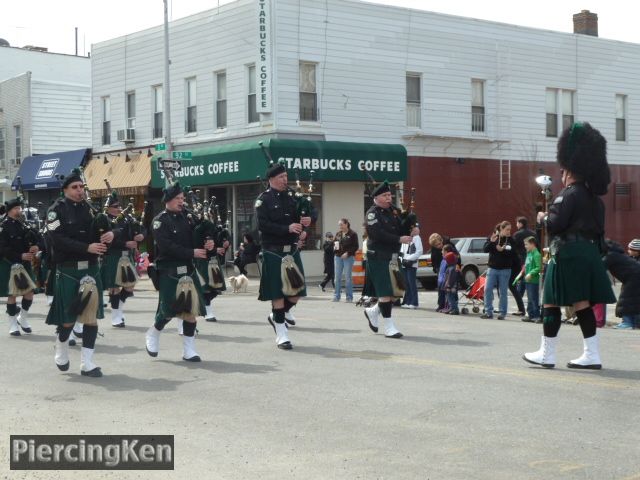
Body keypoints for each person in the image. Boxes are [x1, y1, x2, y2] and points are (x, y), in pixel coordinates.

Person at [523, 122, 616, 370]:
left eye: (562, 172)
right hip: (589, 253)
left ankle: (547, 353)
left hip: (567, 253)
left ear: (569, 171)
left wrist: (543, 217)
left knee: (550, 301)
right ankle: (591, 354)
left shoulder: (569, 194)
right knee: (582, 303)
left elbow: (556, 224)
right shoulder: (596, 201)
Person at [45, 169, 114, 377]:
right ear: (65, 190)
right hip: (68, 269)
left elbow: (103, 230)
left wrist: (111, 234)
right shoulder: (55, 211)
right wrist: (86, 248)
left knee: (91, 317)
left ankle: (87, 363)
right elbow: (58, 239)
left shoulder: (90, 209)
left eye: (81, 186)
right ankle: (61, 345)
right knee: (67, 319)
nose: (79, 190)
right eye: (74, 187)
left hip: (91, 268)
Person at [145, 182, 213, 362]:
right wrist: (191, 252)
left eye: (183, 198)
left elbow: (202, 232)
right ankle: (153, 332)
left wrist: (209, 242)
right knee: (168, 311)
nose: (182, 202)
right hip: (169, 269)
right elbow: (166, 247)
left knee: (191, 311)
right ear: (168, 200)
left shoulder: (189, 218)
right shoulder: (160, 221)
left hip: (188, 269)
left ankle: (188, 350)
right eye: (178, 199)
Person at [255, 161, 315, 350]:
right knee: (278, 294)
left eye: (286, 176)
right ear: (271, 179)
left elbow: (311, 210)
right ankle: (281, 334)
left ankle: (276, 316)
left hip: (292, 249)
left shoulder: (293, 196)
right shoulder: (263, 200)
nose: (285, 180)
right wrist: (286, 228)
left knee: (296, 292)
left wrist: (308, 222)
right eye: (281, 177)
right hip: (273, 250)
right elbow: (262, 226)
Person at [363, 181, 412, 339]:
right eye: (385, 195)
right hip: (378, 256)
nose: (389, 198)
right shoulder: (372, 213)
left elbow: (404, 225)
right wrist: (399, 239)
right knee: (385, 293)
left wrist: (413, 227)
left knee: (395, 292)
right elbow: (377, 234)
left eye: (389, 195)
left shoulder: (394, 211)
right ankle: (389, 326)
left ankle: (373, 311)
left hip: (392, 256)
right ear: (376, 198)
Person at [101, 192, 144, 328]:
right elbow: (104, 240)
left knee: (129, 286)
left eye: (119, 205)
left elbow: (141, 228)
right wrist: (125, 244)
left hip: (127, 256)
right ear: (108, 208)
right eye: (115, 206)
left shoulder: (126, 218)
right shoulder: (104, 220)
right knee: (114, 288)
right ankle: (115, 317)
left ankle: (118, 306)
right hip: (113, 255)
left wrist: (141, 235)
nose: (118, 208)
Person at [0, 197, 39, 336]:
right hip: (9, 263)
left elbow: (37, 238)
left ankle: (22, 318)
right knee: (12, 295)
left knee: (29, 293)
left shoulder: (24, 224)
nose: (19, 210)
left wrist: (36, 246)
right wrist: (20, 255)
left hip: (25, 263)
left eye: (20, 208)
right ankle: (12, 324)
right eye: (16, 208)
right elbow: (2, 248)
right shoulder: (3, 226)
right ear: (10, 211)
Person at [481, 221, 517, 320]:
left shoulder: (511, 240)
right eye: (507, 229)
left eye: (510, 229)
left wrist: (502, 250)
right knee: (487, 289)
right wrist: (492, 242)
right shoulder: (494, 237)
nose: (509, 232)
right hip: (492, 268)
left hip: (505, 269)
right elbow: (485, 249)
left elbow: (513, 254)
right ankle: (488, 312)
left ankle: (502, 313)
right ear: (501, 229)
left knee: (503, 292)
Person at [604, 241, 640, 330]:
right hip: (631, 278)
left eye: (631, 249)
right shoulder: (619, 255)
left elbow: (600, 266)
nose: (628, 251)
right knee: (632, 300)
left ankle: (627, 323)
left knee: (625, 300)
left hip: (632, 278)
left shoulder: (610, 256)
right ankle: (633, 322)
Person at [428, 233, 459, 311]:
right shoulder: (434, 248)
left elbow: (457, 256)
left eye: (439, 244)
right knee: (441, 288)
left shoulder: (449, 245)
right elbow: (433, 258)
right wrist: (435, 268)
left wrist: (457, 266)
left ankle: (453, 306)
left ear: (441, 240)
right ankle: (441, 305)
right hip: (440, 268)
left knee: (450, 287)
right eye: (436, 246)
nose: (438, 246)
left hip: (449, 267)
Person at [333, 218, 359, 303]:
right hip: (338, 257)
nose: (340, 226)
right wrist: (335, 249)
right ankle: (336, 296)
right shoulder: (338, 234)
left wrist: (348, 253)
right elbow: (335, 244)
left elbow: (355, 246)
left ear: (346, 224)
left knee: (348, 278)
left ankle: (349, 297)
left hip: (348, 257)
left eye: (341, 224)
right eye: (339, 225)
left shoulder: (353, 234)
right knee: (337, 278)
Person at [512, 216, 537, 300]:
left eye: (517, 223)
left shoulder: (517, 234)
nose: (516, 225)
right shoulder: (533, 233)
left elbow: (513, 248)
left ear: (520, 223)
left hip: (521, 259)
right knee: (530, 280)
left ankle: (519, 300)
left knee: (521, 279)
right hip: (533, 258)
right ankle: (530, 300)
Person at [520, 236, 542, 323]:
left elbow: (539, 267)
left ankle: (537, 316)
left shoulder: (537, 254)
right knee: (529, 298)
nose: (525, 246)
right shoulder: (529, 253)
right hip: (528, 280)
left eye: (526, 244)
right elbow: (527, 264)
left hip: (533, 280)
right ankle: (531, 315)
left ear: (532, 244)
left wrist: (530, 273)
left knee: (534, 298)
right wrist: (524, 270)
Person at [401, 225, 423, 309]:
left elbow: (419, 251)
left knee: (411, 283)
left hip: (411, 264)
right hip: (405, 263)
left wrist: (409, 258)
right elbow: (403, 251)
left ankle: (414, 302)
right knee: (407, 284)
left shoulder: (417, 238)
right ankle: (408, 301)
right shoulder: (407, 238)